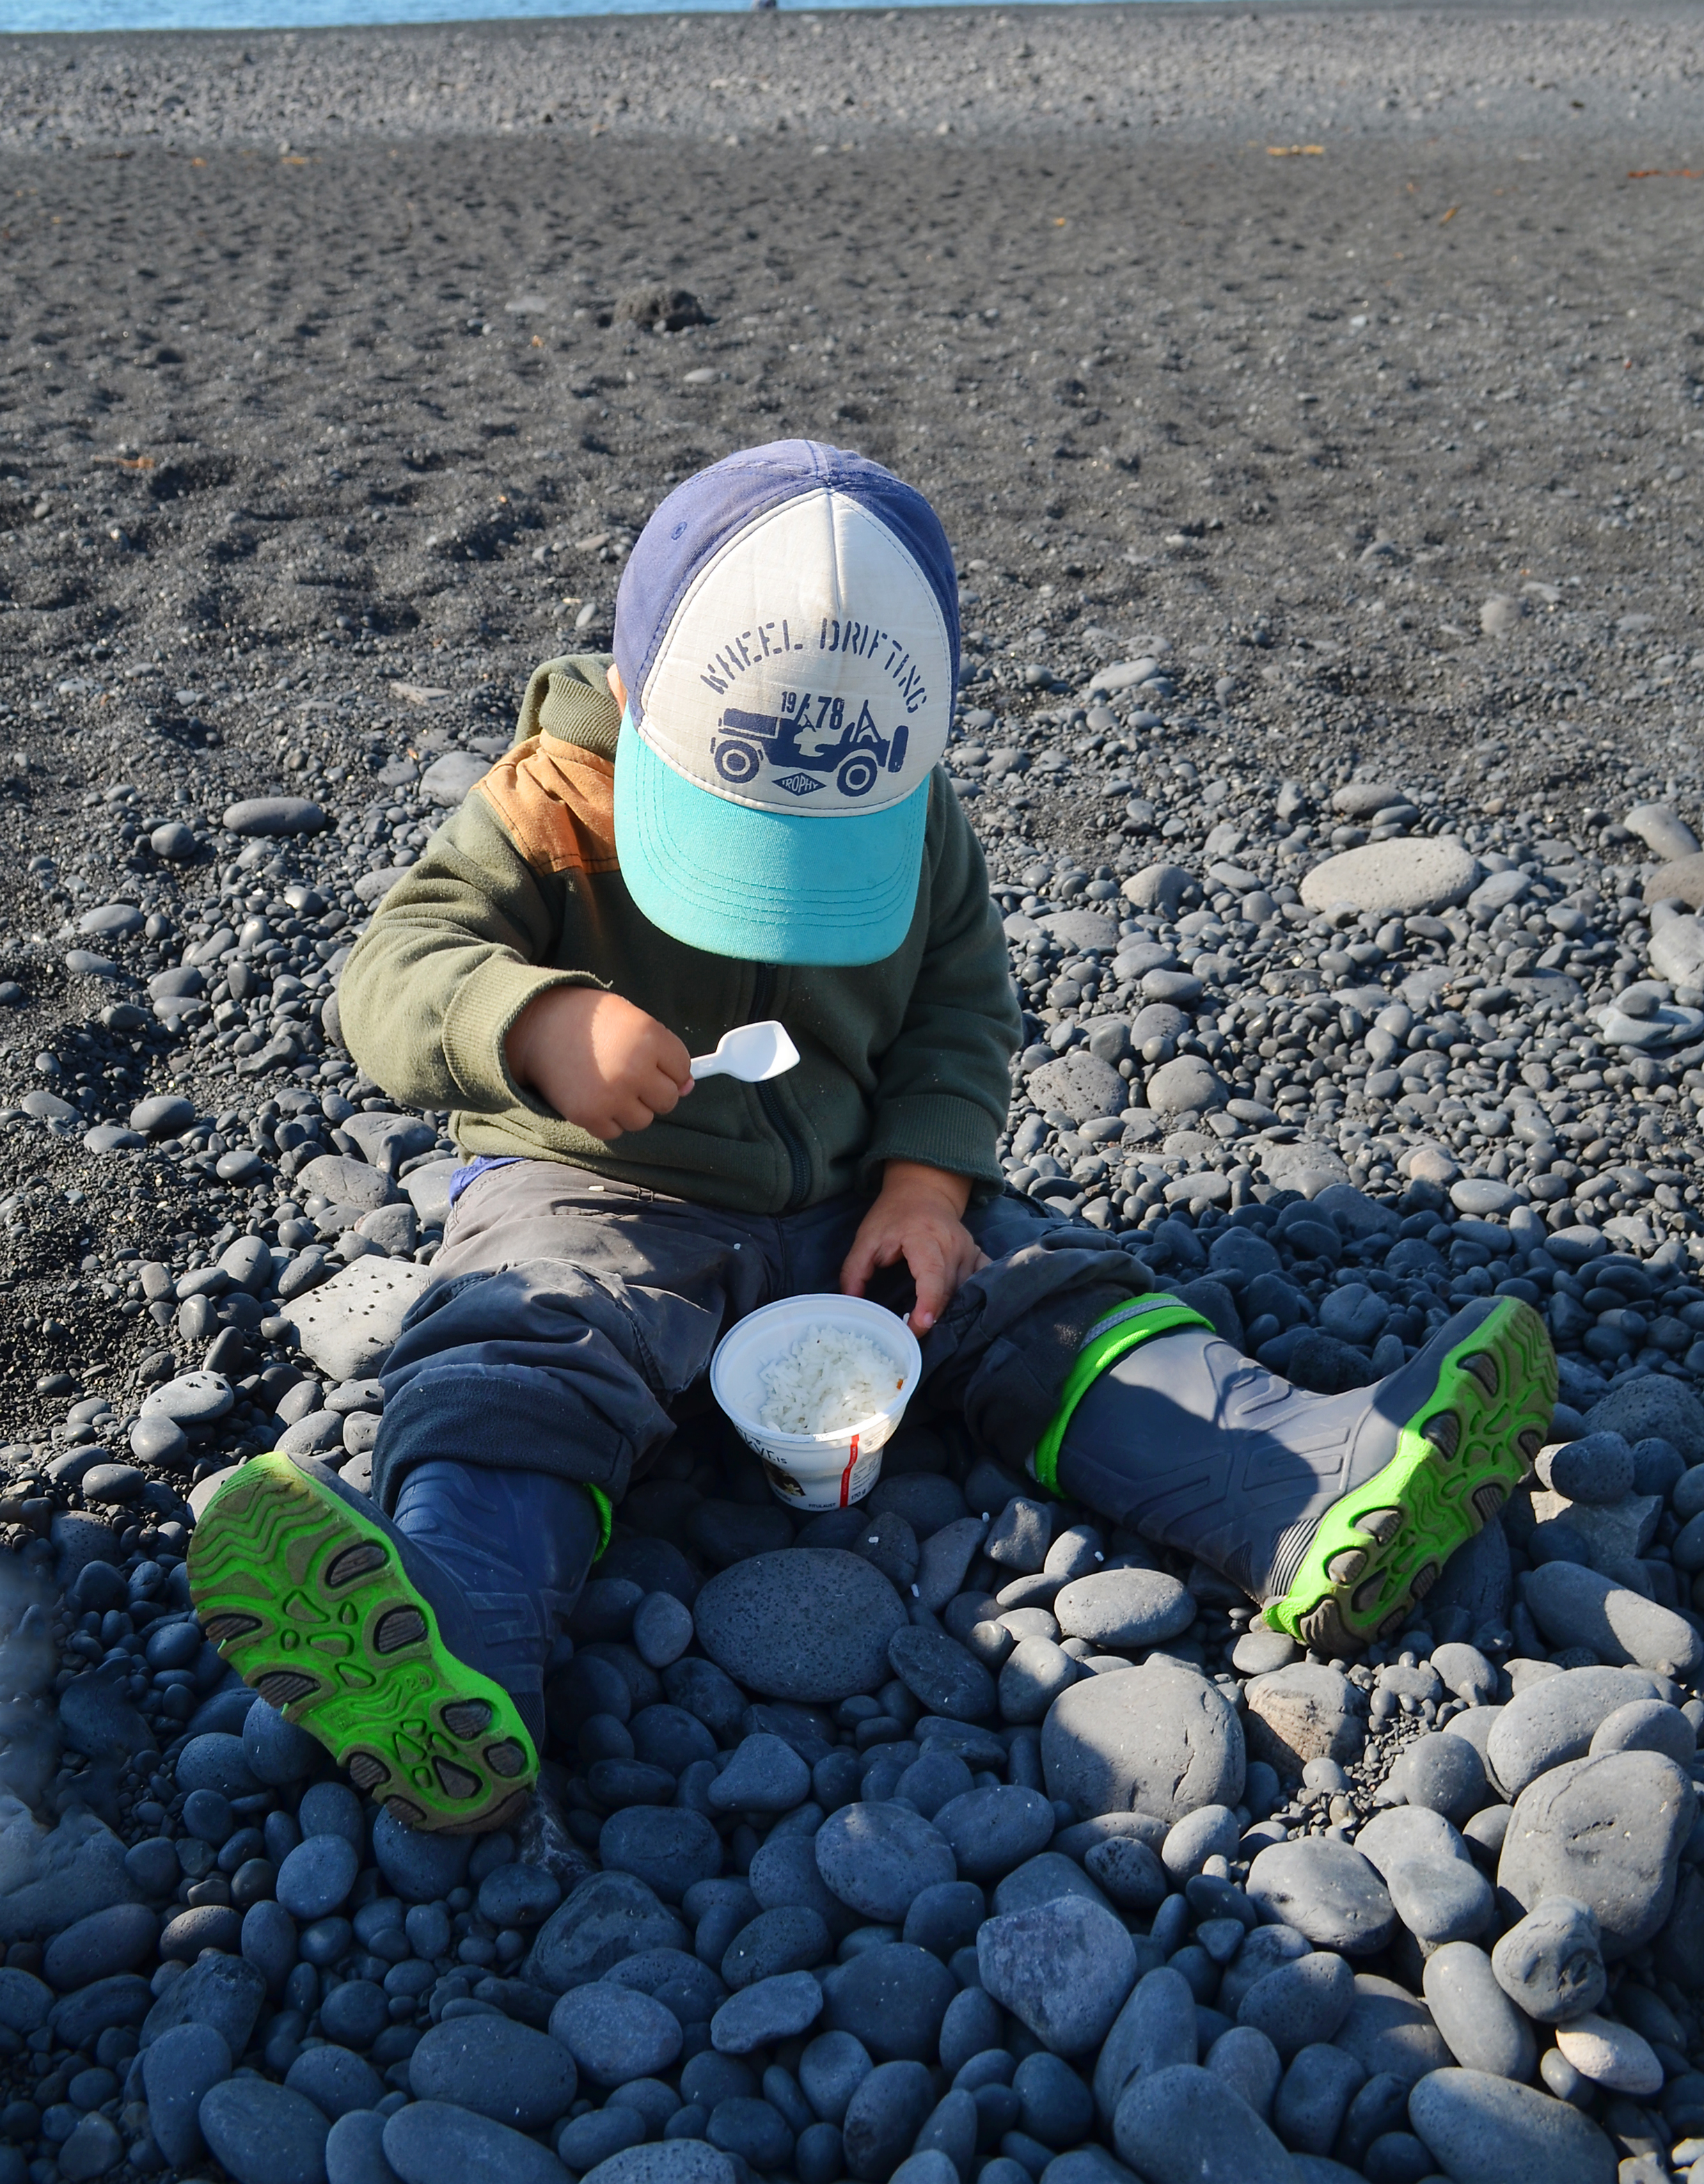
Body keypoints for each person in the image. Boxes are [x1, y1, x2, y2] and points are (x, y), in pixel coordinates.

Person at [188, 441, 1553, 1833]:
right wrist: (532, 1023)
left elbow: (962, 1002)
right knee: (527, 1338)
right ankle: (454, 1634)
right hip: (605, 1196)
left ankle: (1296, 1484)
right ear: (638, 693)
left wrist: (924, 1178)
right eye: (731, 839)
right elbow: (390, 969)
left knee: (1042, 1293)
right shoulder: (545, 805)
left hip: (854, 1206)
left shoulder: (917, 817)